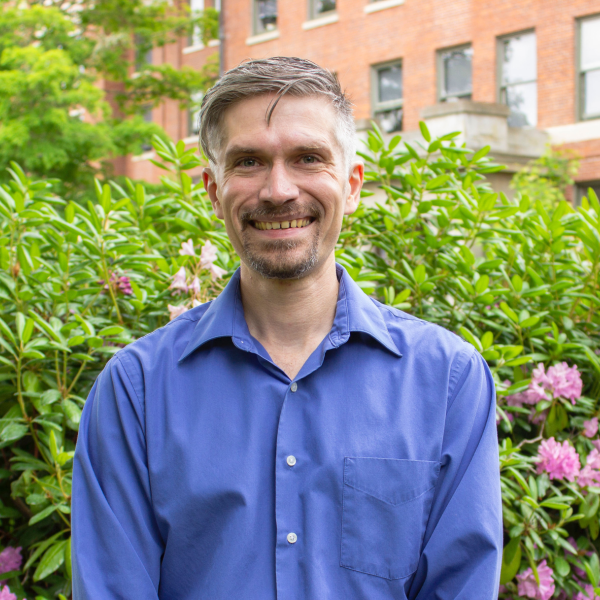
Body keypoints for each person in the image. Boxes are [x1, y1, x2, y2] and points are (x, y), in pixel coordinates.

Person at [72, 56, 502, 599]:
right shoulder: (135, 391)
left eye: (307, 158)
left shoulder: (448, 382)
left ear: (352, 185)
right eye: (248, 161)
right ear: (212, 190)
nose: (278, 190)